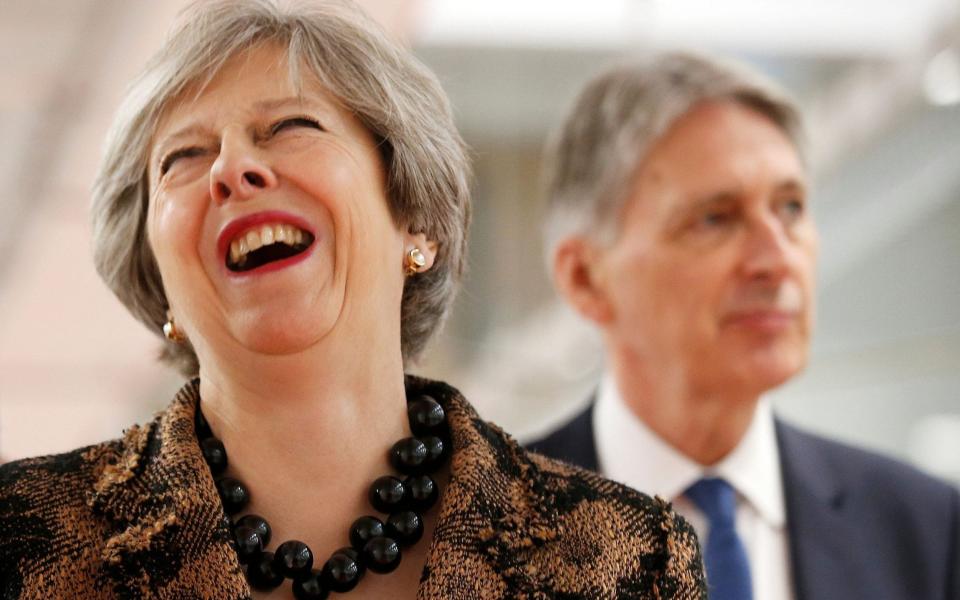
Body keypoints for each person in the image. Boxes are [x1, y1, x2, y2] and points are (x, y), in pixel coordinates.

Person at [0, 2, 707, 599]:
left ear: (415, 219)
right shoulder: (18, 540)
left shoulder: (628, 560)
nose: (231, 168)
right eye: (183, 158)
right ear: (157, 278)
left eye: (291, 128)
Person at [530, 52, 960, 600]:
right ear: (585, 278)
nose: (776, 259)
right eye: (715, 218)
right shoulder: (482, 532)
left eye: (791, 208)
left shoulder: (924, 527)